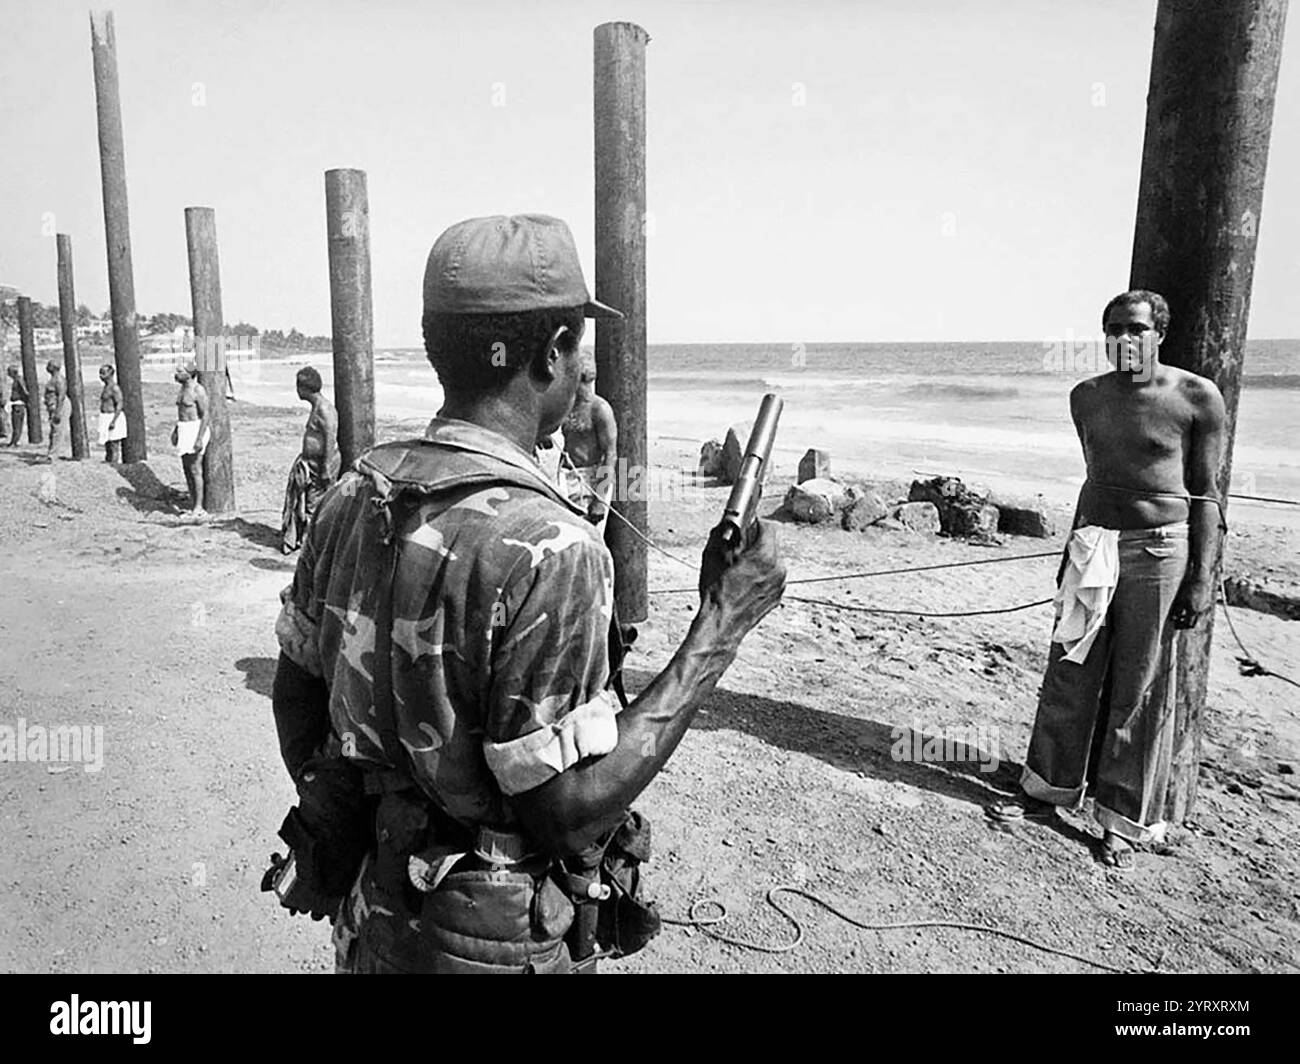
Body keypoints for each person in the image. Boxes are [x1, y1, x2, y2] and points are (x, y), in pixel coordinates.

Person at [269, 214, 786, 973]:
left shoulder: (354, 493)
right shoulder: (553, 548)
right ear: (551, 355)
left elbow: (295, 697)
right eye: (580, 344)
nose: (584, 368)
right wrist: (721, 626)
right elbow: (570, 812)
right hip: (491, 946)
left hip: (372, 921)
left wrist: (363, 813)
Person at [990, 290, 1226, 871]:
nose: (1126, 340)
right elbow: (1096, 481)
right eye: (1114, 329)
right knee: (1070, 668)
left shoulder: (1196, 397)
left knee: (1139, 687)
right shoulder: (1087, 397)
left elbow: (1207, 497)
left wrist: (1201, 578)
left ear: (1159, 334)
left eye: (1137, 329)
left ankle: (1121, 821)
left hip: (1160, 551)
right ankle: (1045, 792)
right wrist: (1071, 549)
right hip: (1095, 545)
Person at [280, 366, 340, 554]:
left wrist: (326, 468)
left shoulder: (324, 409)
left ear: (303, 388)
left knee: (315, 506)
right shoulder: (317, 407)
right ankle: (306, 540)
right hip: (311, 463)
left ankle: (312, 546)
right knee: (303, 504)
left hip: (321, 464)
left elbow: (330, 438)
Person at [558, 349, 617, 532]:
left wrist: (600, 499)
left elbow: (610, 455)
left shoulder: (600, 409)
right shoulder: (566, 404)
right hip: (563, 475)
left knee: (591, 536)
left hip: (590, 479)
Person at [170, 364, 210, 515]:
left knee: (195, 469)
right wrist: (176, 431)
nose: (176, 374)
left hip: (195, 429)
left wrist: (199, 438)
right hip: (184, 428)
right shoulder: (182, 389)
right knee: (186, 468)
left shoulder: (197, 390)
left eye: (180, 372)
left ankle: (199, 506)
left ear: (189, 374)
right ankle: (193, 502)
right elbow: (181, 412)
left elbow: (205, 414)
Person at [98, 364, 126, 464]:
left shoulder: (114, 388)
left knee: (114, 444)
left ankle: (114, 464)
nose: (101, 376)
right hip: (105, 417)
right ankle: (108, 462)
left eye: (103, 373)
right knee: (107, 443)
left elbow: (119, 404)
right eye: (100, 373)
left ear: (110, 374)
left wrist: (114, 421)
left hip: (113, 416)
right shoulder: (106, 387)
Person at [43, 360, 67, 462]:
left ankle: (53, 456)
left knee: (58, 431)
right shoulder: (53, 379)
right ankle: (51, 453)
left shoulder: (59, 380)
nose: (46, 367)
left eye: (49, 365)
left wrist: (58, 412)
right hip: (52, 406)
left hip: (59, 406)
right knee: (53, 430)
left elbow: (61, 396)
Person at [7, 365, 29, 446]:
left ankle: (15, 442)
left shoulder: (19, 380)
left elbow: (25, 391)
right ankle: (14, 441)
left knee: (17, 424)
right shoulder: (16, 380)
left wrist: (24, 400)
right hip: (16, 404)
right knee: (15, 424)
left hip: (18, 405)